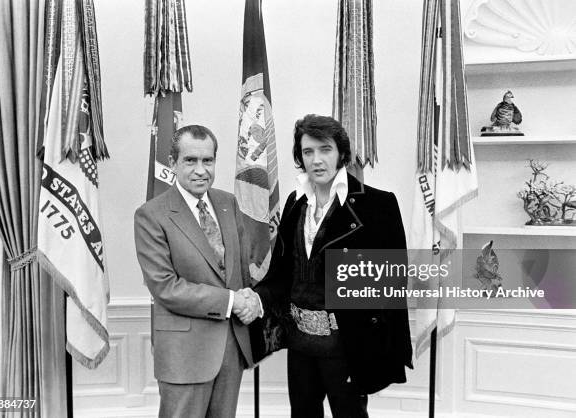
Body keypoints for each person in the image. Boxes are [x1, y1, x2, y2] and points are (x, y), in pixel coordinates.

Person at [241, 115, 413, 417]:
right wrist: (255, 297)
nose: (316, 160)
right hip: (300, 345)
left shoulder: (378, 205)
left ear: (341, 153)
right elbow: (283, 274)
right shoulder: (295, 204)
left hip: (348, 346)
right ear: (300, 156)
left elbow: (391, 284)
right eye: (308, 152)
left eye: (325, 149)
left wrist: (373, 346)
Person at [134, 125, 261, 418]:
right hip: (184, 354)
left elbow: (240, 272)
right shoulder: (151, 215)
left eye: (208, 161)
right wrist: (231, 301)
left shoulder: (227, 203)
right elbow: (165, 287)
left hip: (231, 349)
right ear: (173, 162)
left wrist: (252, 298)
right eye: (190, 160)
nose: (200, 170)